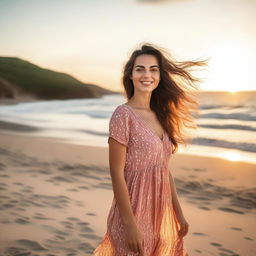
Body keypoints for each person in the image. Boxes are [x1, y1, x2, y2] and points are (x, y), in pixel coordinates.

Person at [93, 43, 207, 256]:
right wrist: (130, 225)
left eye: (153, 69)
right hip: (132, 213)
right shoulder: (123, 115)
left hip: (158, 214)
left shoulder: (161, 115)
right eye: (140, 69)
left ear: (160, 76)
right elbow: (116, 173)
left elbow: (164, 171)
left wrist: (178, 213)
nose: (147, 75)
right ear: (131, 75)